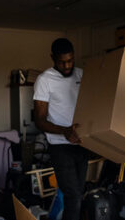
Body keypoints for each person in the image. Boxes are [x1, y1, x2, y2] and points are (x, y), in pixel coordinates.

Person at [34, 38, 88, 220]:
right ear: (52, 58)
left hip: (81, 143)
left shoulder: (82, 74)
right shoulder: (44, 80)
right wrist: (65, 131)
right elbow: (39, 120)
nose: (67, 66)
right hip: (59, 146)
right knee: (72, 195)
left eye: (70, 60)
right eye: (62, 62)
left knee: (79, 193)